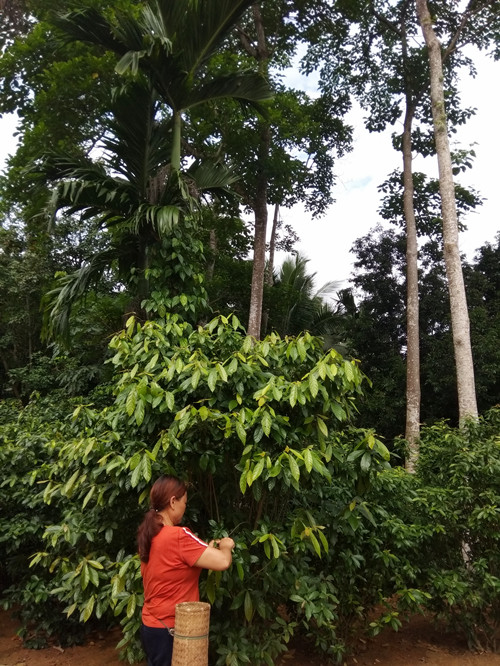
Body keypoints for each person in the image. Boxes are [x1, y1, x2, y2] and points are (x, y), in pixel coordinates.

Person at [137, 475, 235, 666]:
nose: (185, 507)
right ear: (173, 502)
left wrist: (205, 548)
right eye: (184, 502)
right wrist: (226, 546)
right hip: (170, 630)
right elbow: (223, 562)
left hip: (151, 626)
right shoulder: (179, 536)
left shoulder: (148, 534)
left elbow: (174, 564)